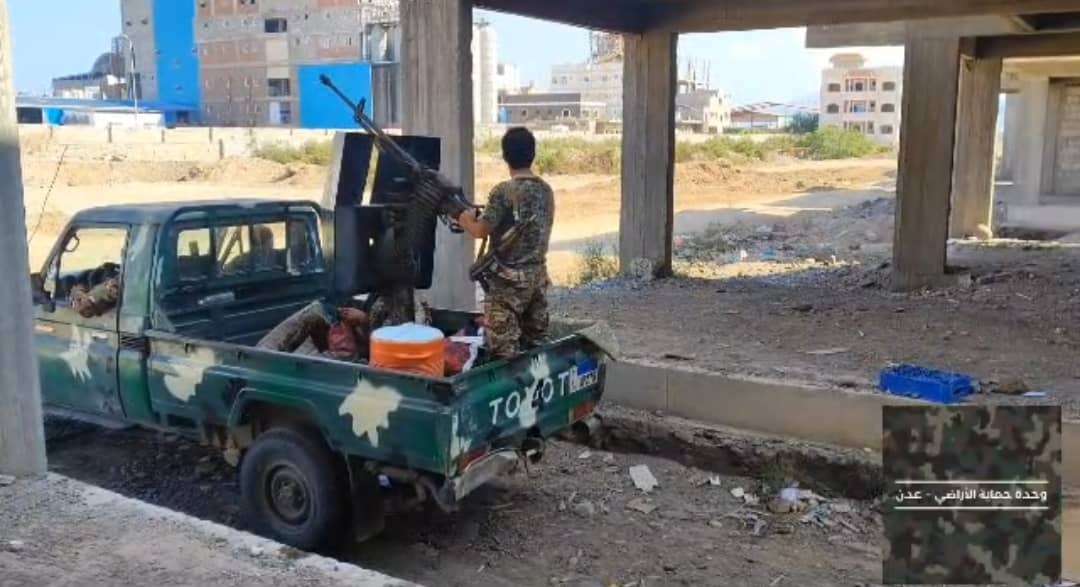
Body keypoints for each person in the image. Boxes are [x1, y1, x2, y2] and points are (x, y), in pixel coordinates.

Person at [454, 127, 554, 359]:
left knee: (504, 353)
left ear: (505, 156)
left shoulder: (503, 192)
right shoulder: (546, 190)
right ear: (533, 154)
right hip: (537, 280)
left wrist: (463, 218)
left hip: (508, 287)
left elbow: (480, 231)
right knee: (536, 345)